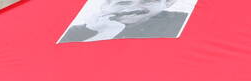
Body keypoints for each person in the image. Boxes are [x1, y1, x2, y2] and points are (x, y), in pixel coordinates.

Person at [60, 0, 189, 42]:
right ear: (105, 6)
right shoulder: (76, 33)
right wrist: (106, 33)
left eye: (148, 0)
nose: (134, 8)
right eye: (123, 2)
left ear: (168, 3)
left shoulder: (182, 22)